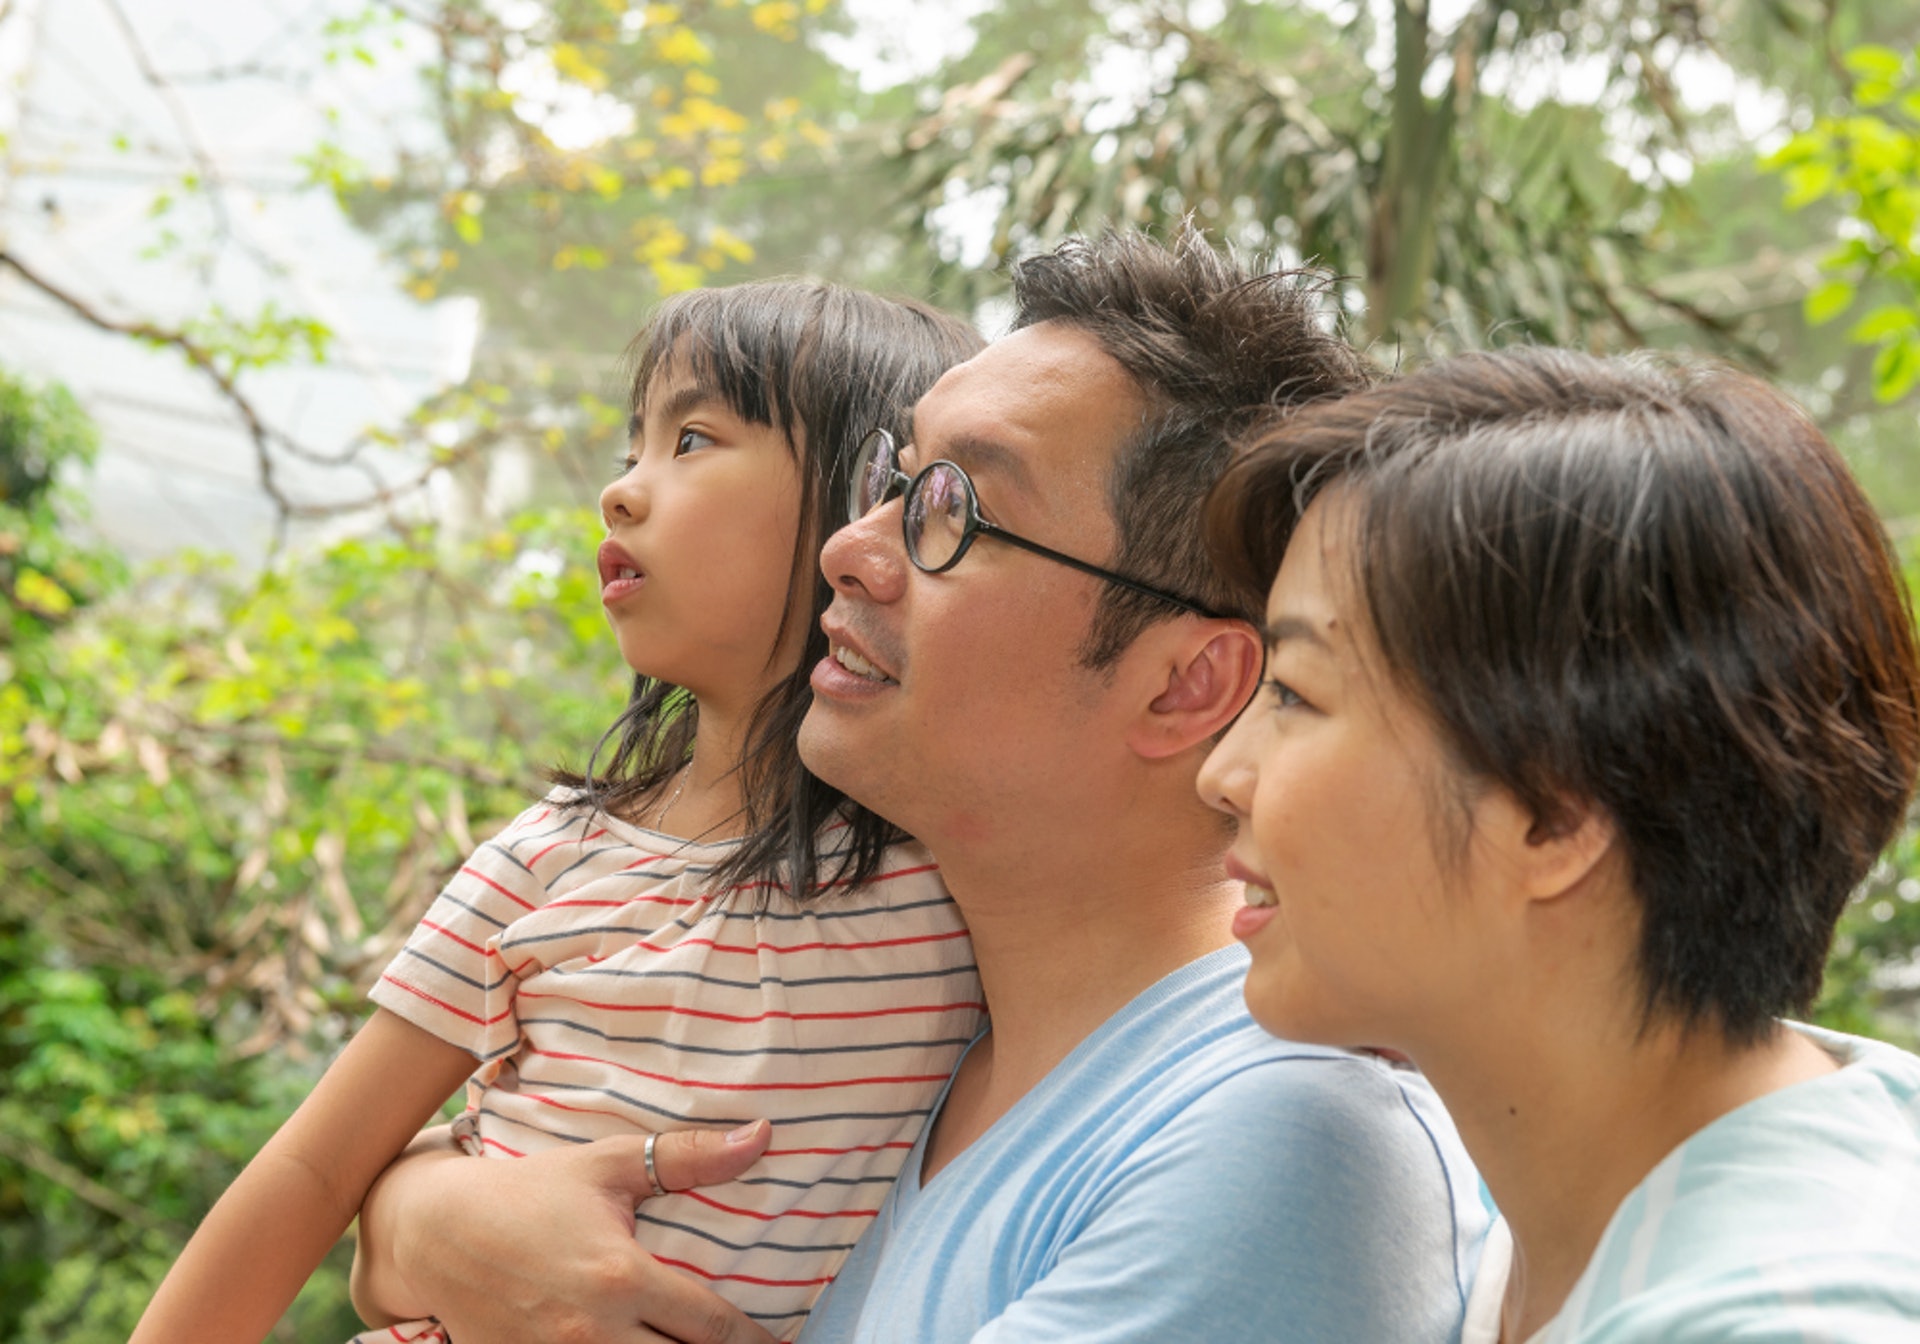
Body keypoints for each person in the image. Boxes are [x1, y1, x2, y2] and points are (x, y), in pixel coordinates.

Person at [349, 229, 1492, 1344]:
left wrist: (423, 1234)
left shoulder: (1275, 1144)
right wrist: (426, 1222)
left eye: (955, 509)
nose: (850, 546)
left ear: (1184, 685)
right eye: (889, 480)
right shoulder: (894, 1037)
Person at [130, 280, 987, 1344]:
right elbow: (313, 1167)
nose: (621, 494)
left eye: (693, 439)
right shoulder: (549, 855)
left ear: (871, 506)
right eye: (634, 448)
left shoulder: (967, 869)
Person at [1197, 346, 1920, 1342]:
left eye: (1295, 694)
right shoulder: (1567, 1219)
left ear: (1557, 814)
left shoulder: (1782, 1317)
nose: (1222, 774)